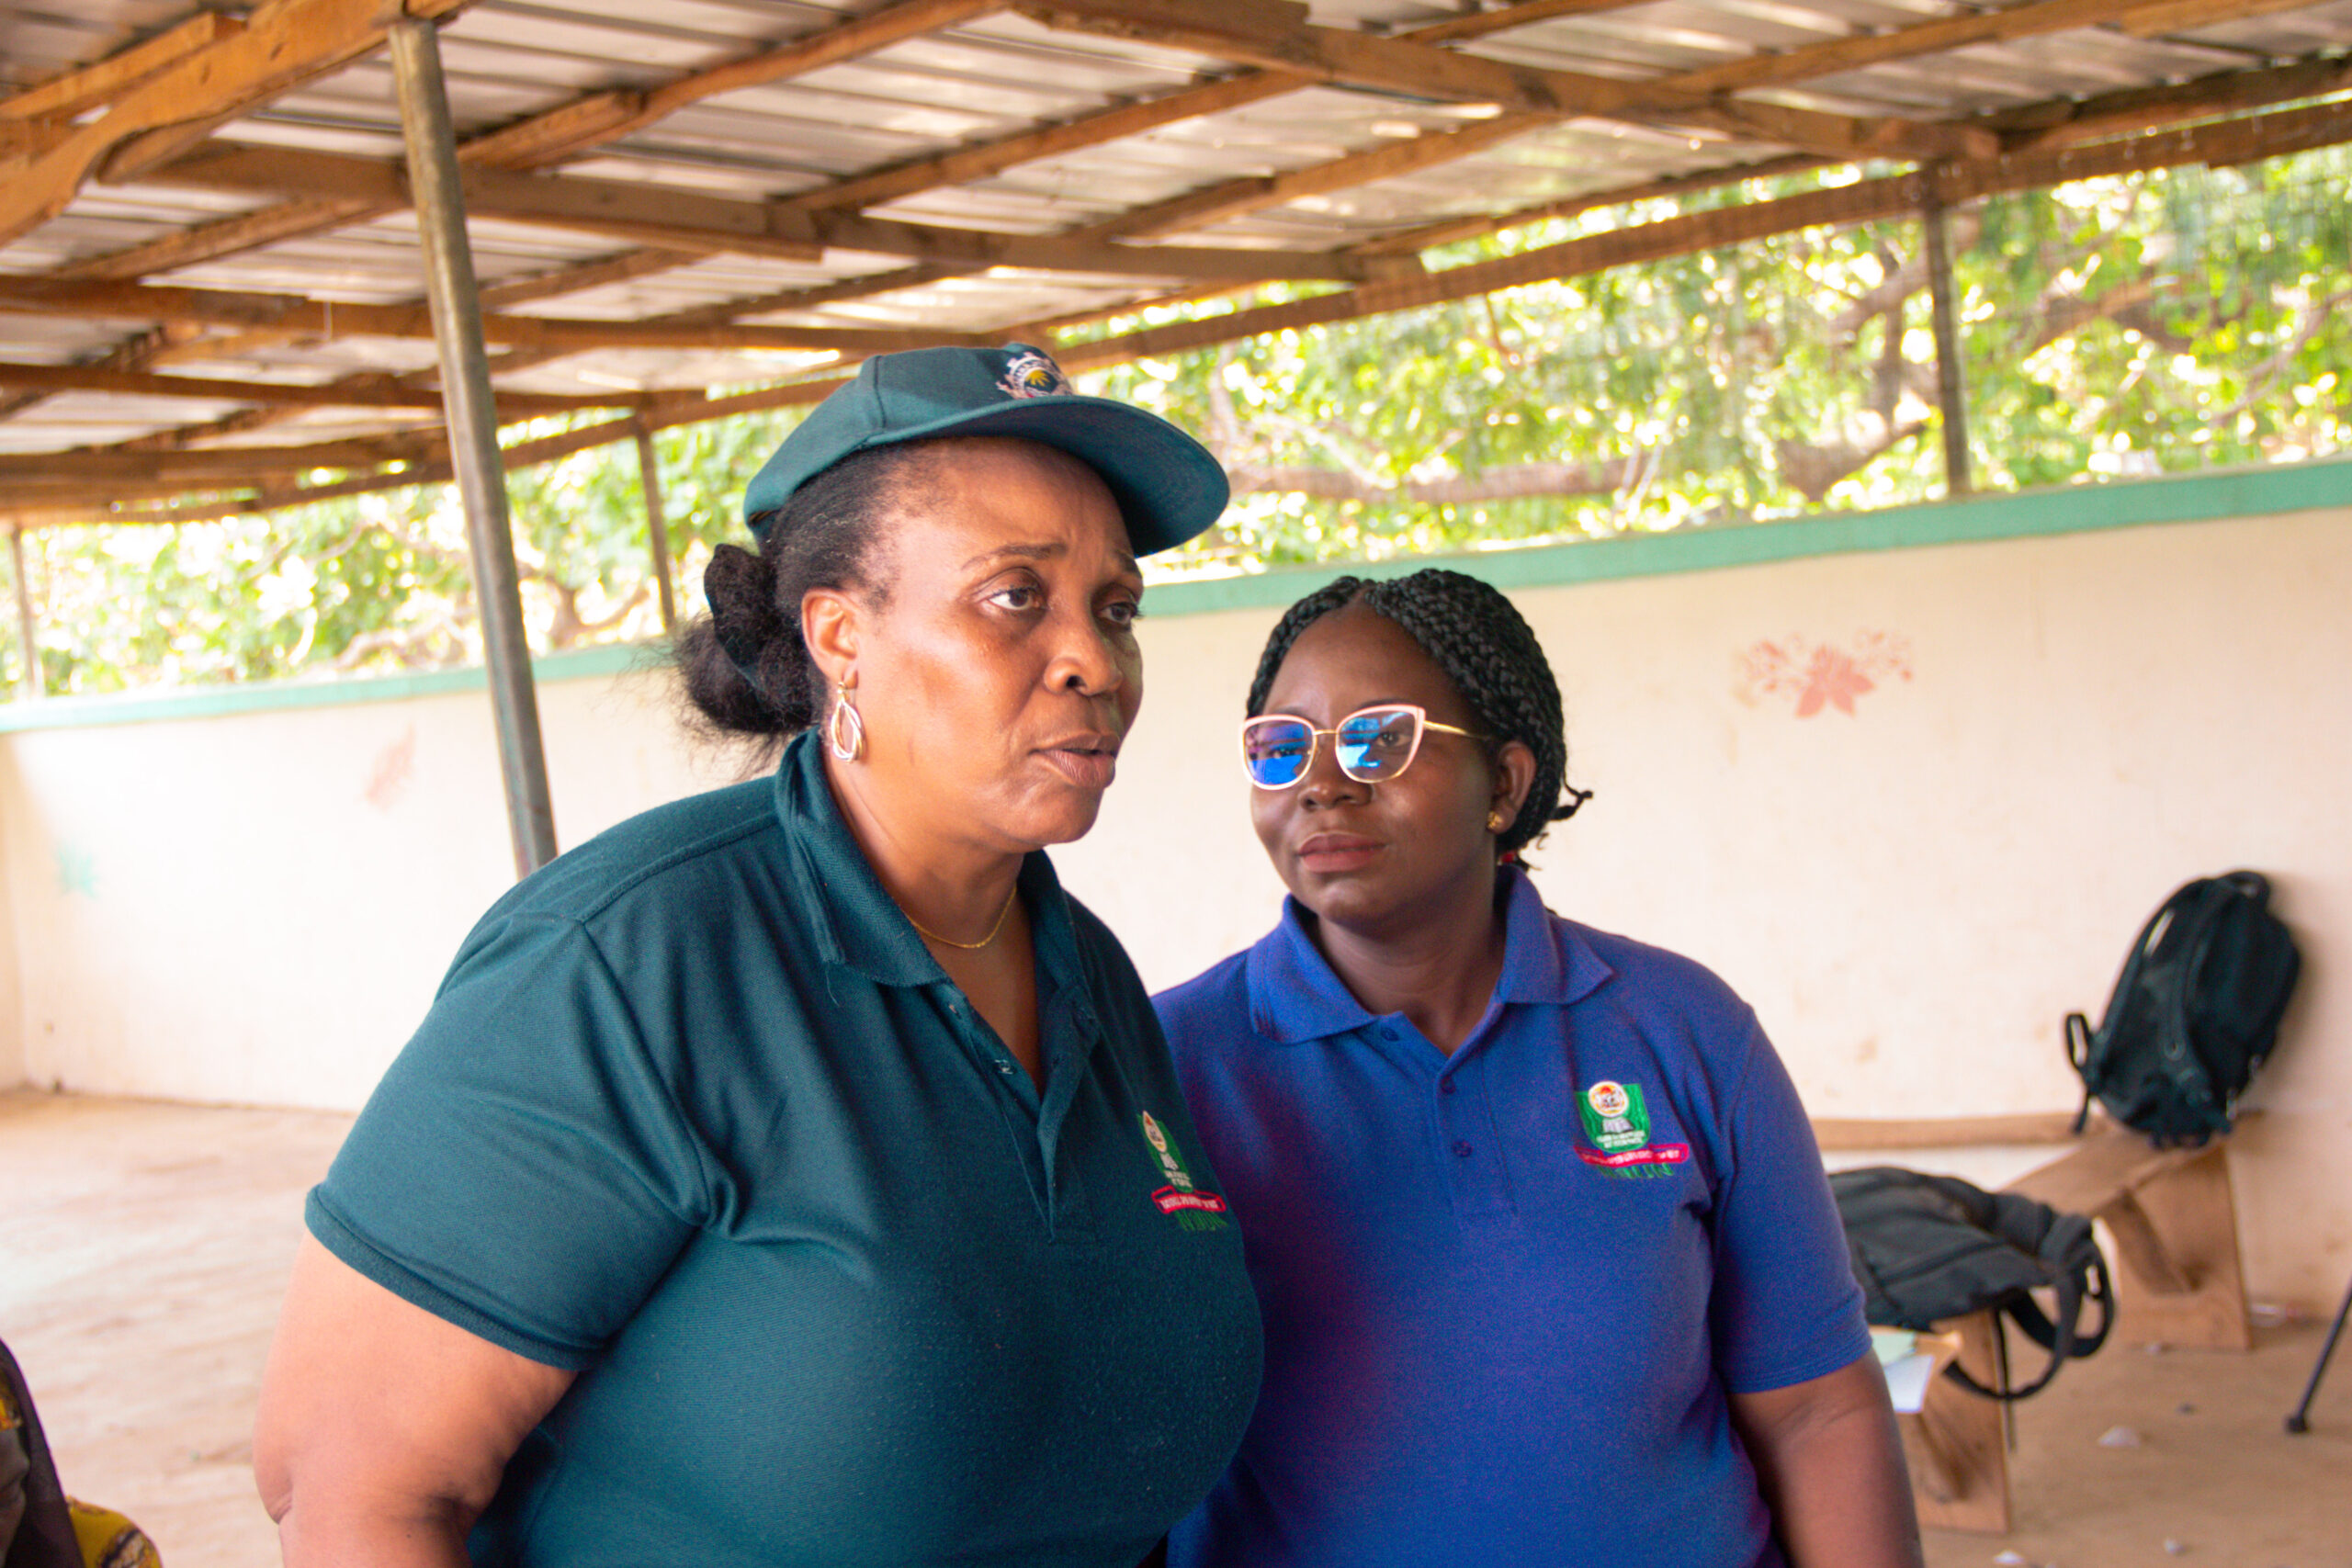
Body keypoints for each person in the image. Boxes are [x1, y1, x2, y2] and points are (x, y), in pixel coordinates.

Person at [254, 344, 1263, 1568]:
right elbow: (348, 1487)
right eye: (1014, 596)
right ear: (840, 635)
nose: (1094, 661)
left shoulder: (1085, 972)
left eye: (1115, 609)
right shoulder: (625, 964)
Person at [1157, 570, 1922, 1568]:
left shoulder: (1681, 1027)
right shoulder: (1166, 1067)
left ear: (1506, 785)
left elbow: (1816, 1408)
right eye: (1281, 747)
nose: (1322, 782)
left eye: (1379, 740)